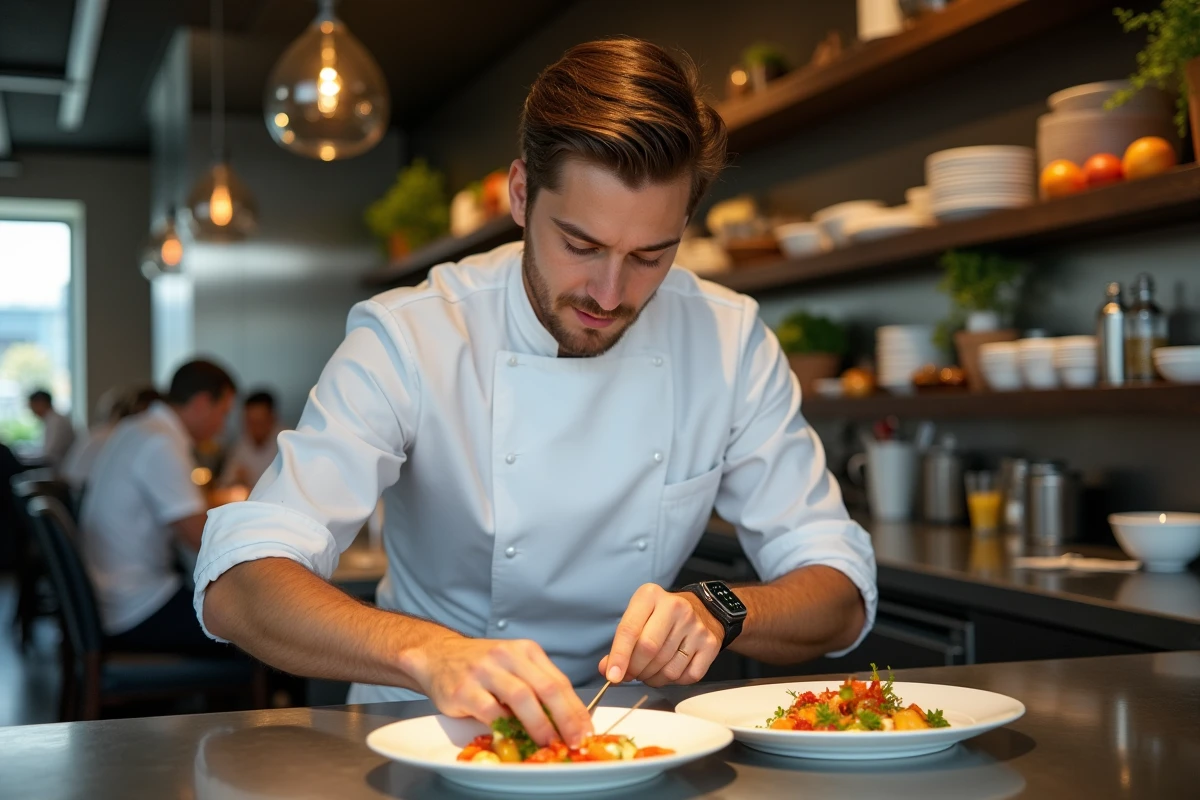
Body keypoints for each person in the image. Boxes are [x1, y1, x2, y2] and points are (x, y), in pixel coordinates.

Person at [196, 39, 876, 749]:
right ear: (521, 195)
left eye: (650, 256)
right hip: (423, 729)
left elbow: (841, 591)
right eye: (581, 245)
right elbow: (239, 583)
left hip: (628, 737)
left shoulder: (728, 340)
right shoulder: (414, 335)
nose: (609, 294)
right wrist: (427, 652)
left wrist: (720, 610)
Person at [80, 360, 237, 655]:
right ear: (202, 403)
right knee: (259, 629)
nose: (223, 426)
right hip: (136, 607)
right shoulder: (161, 443)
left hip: (112, 598)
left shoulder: (137, 428)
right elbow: (200, 539)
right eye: (223, 413)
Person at [217, 390, 281, 489]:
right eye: (250, 422)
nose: (255, 428)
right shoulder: (241, 445)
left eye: (259, 422)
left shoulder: (286, 443)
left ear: (272, 418)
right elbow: (225, 483)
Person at [27, 389, 76, 471]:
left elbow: (50, 453)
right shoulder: (52, 420)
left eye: (32, 406)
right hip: (59, 467)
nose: (32, 410)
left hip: (61, 470)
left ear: (41, 403)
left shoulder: (56, 422)